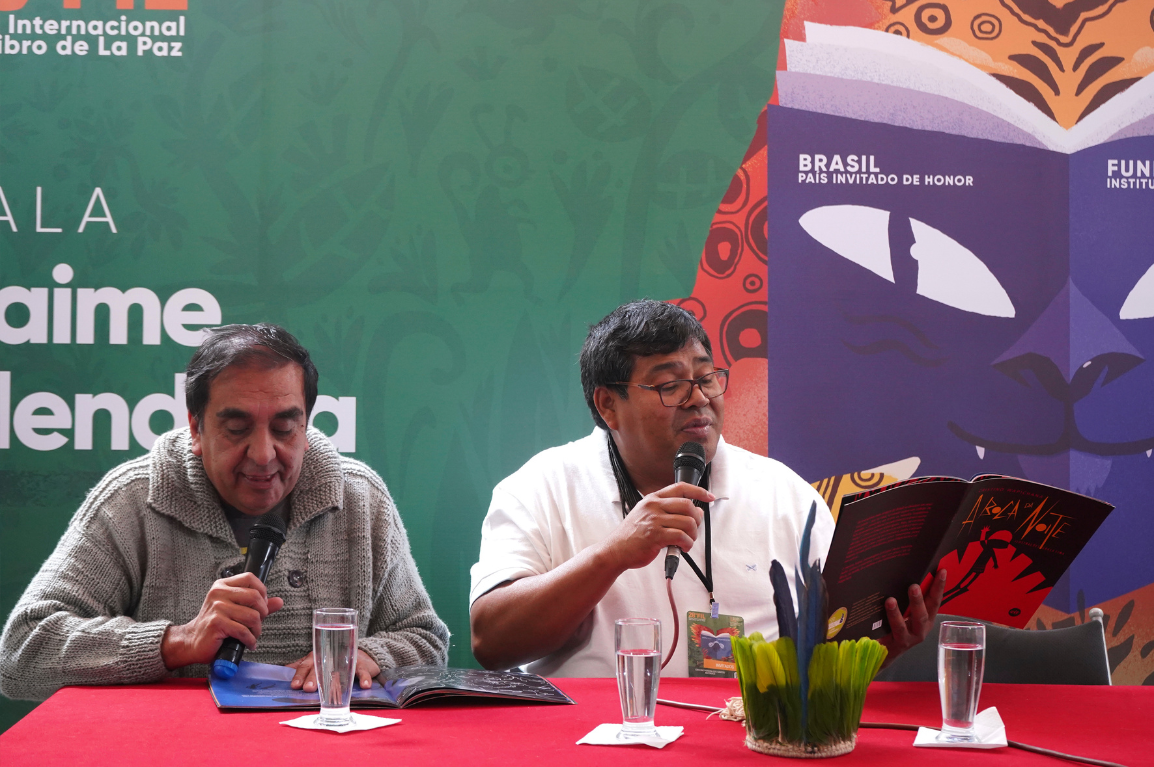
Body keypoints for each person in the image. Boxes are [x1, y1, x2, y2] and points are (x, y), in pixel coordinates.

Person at [469, 300, 945, 676]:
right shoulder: (541, 487)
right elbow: (492, 642)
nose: (698, 398)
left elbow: (827, 652)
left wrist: (878, 647)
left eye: (706, 377)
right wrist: (612, 554)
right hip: (592, 738)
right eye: (670, 385)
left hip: (752, 735)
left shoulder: (784, 494)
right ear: (608, 405)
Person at [0, 324, 448, 701]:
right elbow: (20, 654)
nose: (263, 454)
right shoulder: (134, 500)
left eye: (285, 428)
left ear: (306, 425)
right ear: (196, 427)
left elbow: (426, 639)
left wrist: (368, 656)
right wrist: (176, 643)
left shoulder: (360, 498)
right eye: (236, 428)